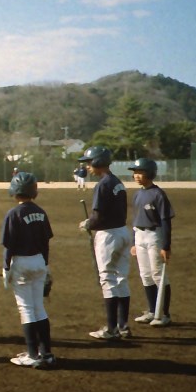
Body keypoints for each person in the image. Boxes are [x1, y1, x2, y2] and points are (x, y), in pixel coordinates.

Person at [1, 172, 55, 369]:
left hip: (21, 263)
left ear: (15, 192)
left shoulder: (13, 214)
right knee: (39, 307)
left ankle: (32, 354)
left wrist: (6, 268)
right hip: (39, 261)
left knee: (26, 308)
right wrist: (46, 265)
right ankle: (46, 353)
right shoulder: (41, 212)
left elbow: (8, 246)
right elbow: (46, 243)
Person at [78, 146, 133, 340]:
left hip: (108, 235)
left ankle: (111, 329)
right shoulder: (117, 182)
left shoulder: (102, 185)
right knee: (121, 279)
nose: (87, 166)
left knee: (108, 279)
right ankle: (123, 325)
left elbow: (98, 216)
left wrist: (87, 224)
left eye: (89, 162)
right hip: (123, 232)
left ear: (98, 162)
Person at [128, 158, 175, 327]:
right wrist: (134, 242)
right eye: (135, 173)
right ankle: (151, 310)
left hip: (154, 235)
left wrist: (166, 246)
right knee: (145, 275)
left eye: (140, 172)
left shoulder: (158, 194)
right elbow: (135, 219)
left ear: (150, 173)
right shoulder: (138, 194)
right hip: (140, 235)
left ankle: (163, 313)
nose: (136, 176)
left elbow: (165, 221)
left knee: (157, 274)